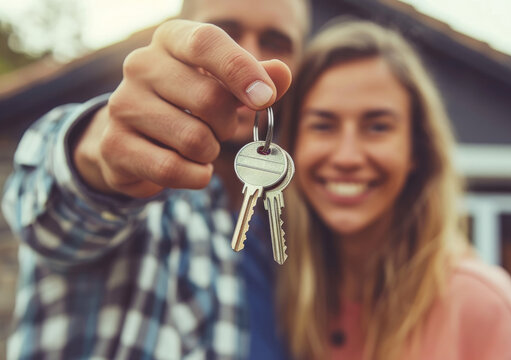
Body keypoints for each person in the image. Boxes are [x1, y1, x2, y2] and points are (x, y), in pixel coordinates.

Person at [1, 0, 310, 358]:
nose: (249, 59)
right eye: (224, 33)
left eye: (276, 42)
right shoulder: (141, 179)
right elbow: (49, 212)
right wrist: (98, 155)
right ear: (185, 45)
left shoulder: (311, 225)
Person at [276, 20, 511, 360]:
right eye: (323, 125)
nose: (347, 156)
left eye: (377, 126)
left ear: (416, 149)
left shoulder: (483, 306)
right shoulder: (278, 291)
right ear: (293, 144)